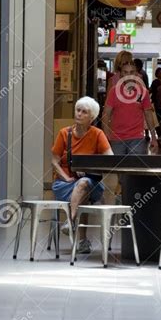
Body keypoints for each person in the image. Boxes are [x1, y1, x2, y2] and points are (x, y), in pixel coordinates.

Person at [52, 97, 112, 255]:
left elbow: (110, 160)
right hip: (65, 183)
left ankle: (70, 222)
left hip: (91, 182)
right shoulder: (64, 133)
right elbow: (54, 161)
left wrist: (86, 168)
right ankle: (82, 241)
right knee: (81, 190)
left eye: (84, 112)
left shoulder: (98, 134)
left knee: (84, 183)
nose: (79, 114)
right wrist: (66, 177)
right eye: (78, 110)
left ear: (91, 117)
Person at [102, 60, 158, 154]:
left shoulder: (143, 92)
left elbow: (148, 115)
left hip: (137, 138)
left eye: (131, 72)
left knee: (135, 168)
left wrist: (154, 138)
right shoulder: (114, 91)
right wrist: (106, 136)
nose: (129, 75)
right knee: (117, 168)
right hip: (116, 139)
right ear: (121, 75)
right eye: (125, 72)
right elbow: (106, 114)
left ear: (136, 74)